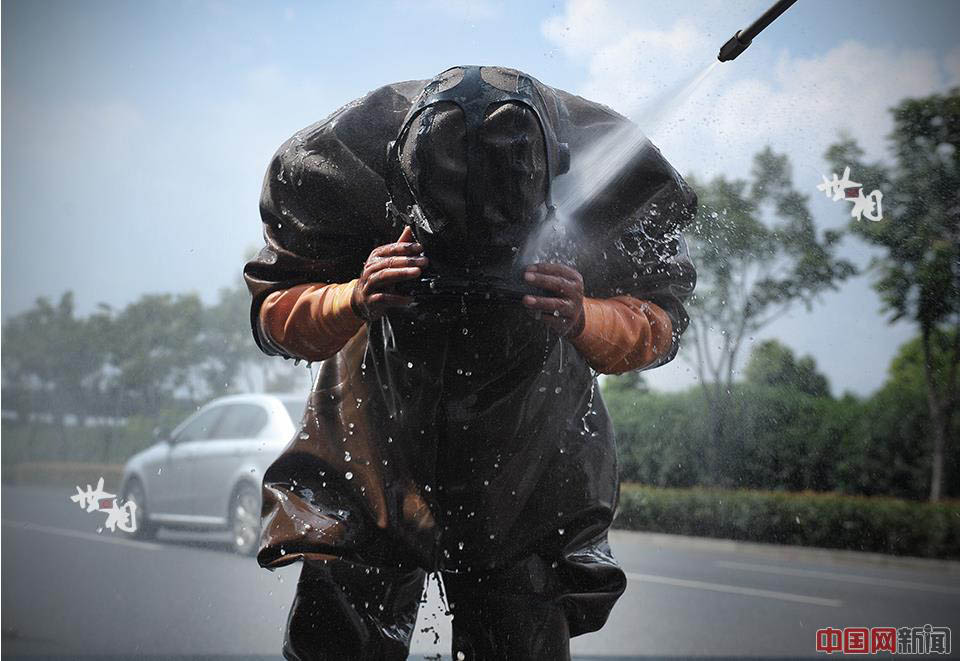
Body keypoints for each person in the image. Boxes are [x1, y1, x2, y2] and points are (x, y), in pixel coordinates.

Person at [243, 65, 698, 660]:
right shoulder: (338, 168)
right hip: (372, 460)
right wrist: (353, 296)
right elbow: (274, 316)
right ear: (398, 182)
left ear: (552, 178)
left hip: (528, 477)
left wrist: (585, 316)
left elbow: (660, 327)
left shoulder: (611, 175)